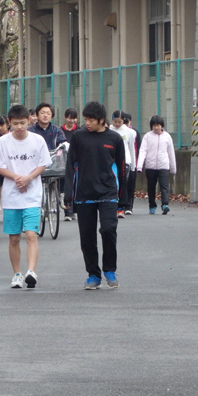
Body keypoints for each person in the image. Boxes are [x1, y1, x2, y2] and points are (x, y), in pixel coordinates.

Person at [64, 101, 126, 290]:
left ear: (101, 120)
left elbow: (122, 169)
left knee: (108, 230)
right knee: (87, 237)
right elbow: (70, 167)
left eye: (91, 120)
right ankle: (93, 274)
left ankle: (109, 270)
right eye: (85, 120)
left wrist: (123, 199)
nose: (87, 123)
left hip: (108, 193)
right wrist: (68, 194)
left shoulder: (114, 139)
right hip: (84, 194)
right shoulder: (78, 137)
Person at [0, 105, 52, 289]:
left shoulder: (38, 140)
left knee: (31, 235)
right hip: (11, 196)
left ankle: (31, 271)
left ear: (29, 121)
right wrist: (17, 178)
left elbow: (43, 164)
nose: (19, 127)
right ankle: (17, 273)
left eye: (23, 123)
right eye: (16, 124)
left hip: (32, 195)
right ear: (9, 122)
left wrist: (29, 178)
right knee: (14, 237)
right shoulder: (3, 142)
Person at [136, 115, 176, 215]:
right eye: (154, 125)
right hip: (150, 166)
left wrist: (173, 168)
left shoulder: (167, 137)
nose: (156, 127)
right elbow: (142, 151)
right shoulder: (147, 136)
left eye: (158, 125)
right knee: (151, 187)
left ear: (161, 125)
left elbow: (171, 153)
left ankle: (165, 204)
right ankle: (152, 205)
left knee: (164, 186)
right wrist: (139, 165)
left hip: (164, 166)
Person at [110, 110, 136, 218]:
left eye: (119, 122)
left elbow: (131, 149)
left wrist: (133, 165)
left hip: (125, 161)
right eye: (115, 121)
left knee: (122, 183)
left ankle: (121, 206)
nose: (117, 124)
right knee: (112, 183)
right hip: (112, 160)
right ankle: (113, 205)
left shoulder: (129, 132)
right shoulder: (109, 130)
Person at [123, 112, 141, 214]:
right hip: (123, 162)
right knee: (122, 185)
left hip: (133, 161)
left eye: (127, 122)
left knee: (131, 185)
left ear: (130, 122)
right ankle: (122, 204)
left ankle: (129, 206)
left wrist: (138, 163)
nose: (125, 124)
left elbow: (139, 148)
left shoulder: (135, 132)